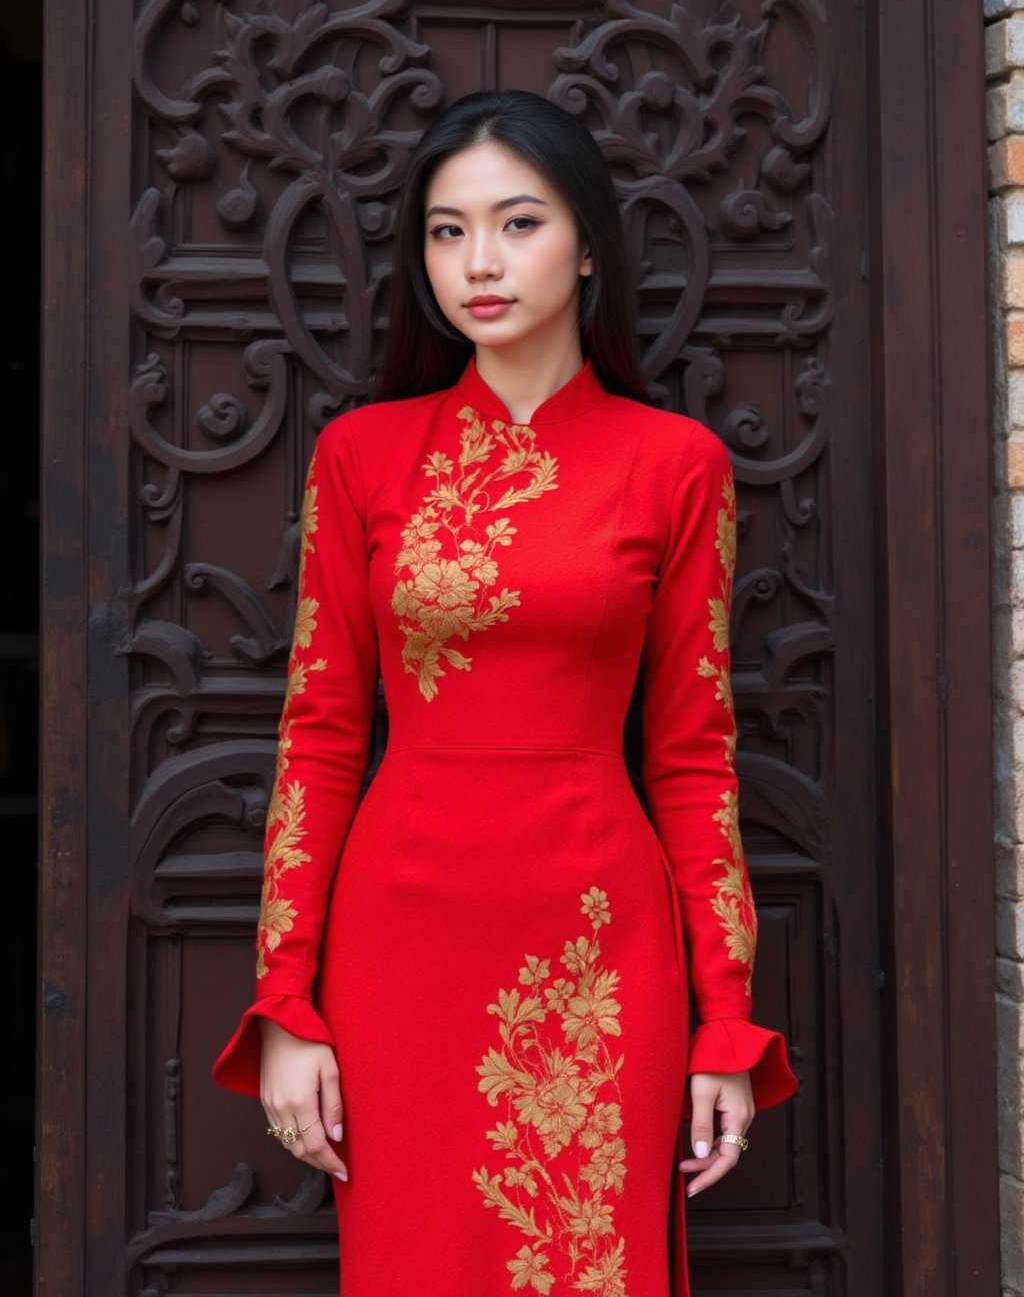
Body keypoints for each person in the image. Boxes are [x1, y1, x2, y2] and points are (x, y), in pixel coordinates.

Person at [212, 89, 798, 1295]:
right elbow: (320, 738)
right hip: (399, 944)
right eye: (444, 230)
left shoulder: (674, 464)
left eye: (517, 222)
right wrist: (285, 999)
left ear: (587, 244)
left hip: (594, 942)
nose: (477, 261)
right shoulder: (361, 457)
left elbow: (693, 756)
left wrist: (725, 1025)